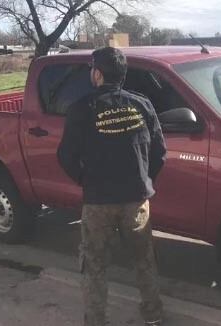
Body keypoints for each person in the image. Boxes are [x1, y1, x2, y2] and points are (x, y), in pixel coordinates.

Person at [57, 47, 167, 326]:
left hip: (98, 202)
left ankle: (96, 320)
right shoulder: (142, 105)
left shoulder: (82, 109)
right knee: (144, 261)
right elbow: (159, 152)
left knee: (94, 265)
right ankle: (153, 316)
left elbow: (66, 156)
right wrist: (144, 180)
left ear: (97, 74)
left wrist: (86, 182)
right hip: (136, 200)